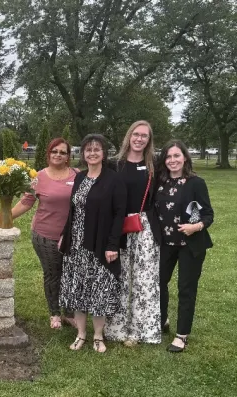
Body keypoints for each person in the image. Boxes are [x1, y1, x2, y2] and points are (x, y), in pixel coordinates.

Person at [0, 138, 78, 330]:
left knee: (71, 275)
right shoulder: (38, 176)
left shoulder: (77, 175)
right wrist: (7, 215)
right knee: (53, 274)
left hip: (74, 237)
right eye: (54, 151)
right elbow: (27, 201)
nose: (58, 155)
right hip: (45, 235)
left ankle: (70, 313)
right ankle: (55, 313)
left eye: (62, 152)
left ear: (68, 157)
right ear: (48, 154)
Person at [59, 134, 127, 353]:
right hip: (76, 246)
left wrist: (112, 245)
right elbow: (73, 211)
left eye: (97, 149)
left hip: (98, 245)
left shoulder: (113, 179)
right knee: (78, 291)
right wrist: (65, 234)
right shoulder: (80, 177)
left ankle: (98, 336)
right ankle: (81, 334)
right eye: (88, 149)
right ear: (83, 154)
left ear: (103, 153)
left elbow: (119, 215)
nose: (92, 153)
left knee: (99, 290)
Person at [105, 121, 162, 346]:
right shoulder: (113, 165)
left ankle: (143, 330)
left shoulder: (153, 166)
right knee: (119, 276)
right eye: (136, 134)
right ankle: (116, 329)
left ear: (149, 140)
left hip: (144, 226)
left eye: (144, 136)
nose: (139, 139)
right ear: (129, 136)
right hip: (118, 226)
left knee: (145, 279)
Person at [155, 140, 213, 352]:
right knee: (159, 283)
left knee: (186, 289)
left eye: (176, 156)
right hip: (166, 244)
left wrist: (195, 226)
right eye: (169, 157)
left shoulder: (196, 183)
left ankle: (182, 335)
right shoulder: (160, 182)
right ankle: (162, 320)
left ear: (185, 158)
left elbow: (208, 214)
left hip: (190, 244)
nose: (172, 161)